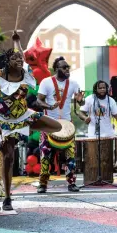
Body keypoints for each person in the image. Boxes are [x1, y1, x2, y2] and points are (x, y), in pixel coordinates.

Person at [0, 31, 61, 210]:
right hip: (4, 120)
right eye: (15, 59)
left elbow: (25, 58)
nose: (19, 60)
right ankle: (7, 198)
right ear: (8, 63)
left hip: (23, 115)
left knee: (57, 126)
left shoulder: (26, 74)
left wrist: (17, 42)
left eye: (20, 59)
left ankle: (25, 130)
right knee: (9, 157)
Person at [36, 56, 85, 193]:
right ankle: (43, 184)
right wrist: (50, 107)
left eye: (68, 67)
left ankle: (71, 183)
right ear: (56, 69)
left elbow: (81, 103)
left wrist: (81, 101)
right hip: (49, 124)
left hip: (67, 125)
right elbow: (39, 101)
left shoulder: (74, 84)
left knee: (70, 155)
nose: (67, 69)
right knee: (45, 155)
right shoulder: (46, 82)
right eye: (64, 67)